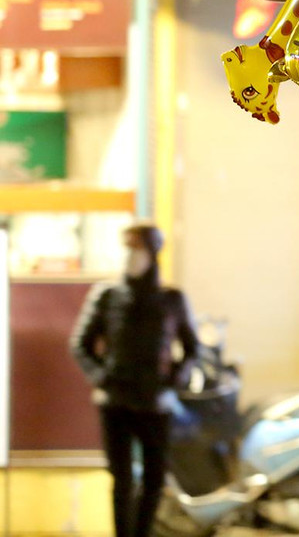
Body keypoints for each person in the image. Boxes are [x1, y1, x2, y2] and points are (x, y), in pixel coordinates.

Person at [71, 225, 199, 537]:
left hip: (156, 403)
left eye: (137, 248)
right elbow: (80, 344)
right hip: (116, 402)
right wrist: (102, 378)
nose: (131, 255)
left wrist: (171, 381)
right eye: (127, 247)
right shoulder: (107, 296)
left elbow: (192, 348)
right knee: (122, 479)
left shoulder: (172, 299)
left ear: (153, 252)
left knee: (155, 478)